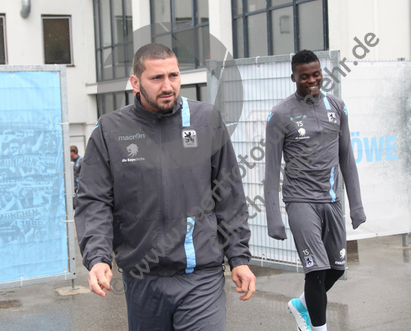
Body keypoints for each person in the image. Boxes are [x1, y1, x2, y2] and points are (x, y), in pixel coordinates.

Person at [75, 43, 256, 330]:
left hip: (201, 275)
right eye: (156, 78)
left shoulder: (206, 120)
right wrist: (98, 257)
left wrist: (239, 257)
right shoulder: (110, 130)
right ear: (135, 82)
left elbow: (229, 194)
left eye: (174, 75)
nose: (168, 85)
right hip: (143, 277)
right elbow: (94, 200)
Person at [264, 50, 366, 331]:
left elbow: (347, 159)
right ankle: (316, 328)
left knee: (336, 268)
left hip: (332, 201)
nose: (312, 80)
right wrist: (274, 217)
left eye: (316, 74)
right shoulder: (280, 114)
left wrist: (355, 205)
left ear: (322, 72)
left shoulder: (337, 106)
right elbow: (271, 171)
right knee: (316, 270)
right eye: (305, 76)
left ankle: (301, 304)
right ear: (293, 77)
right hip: (300, 201)